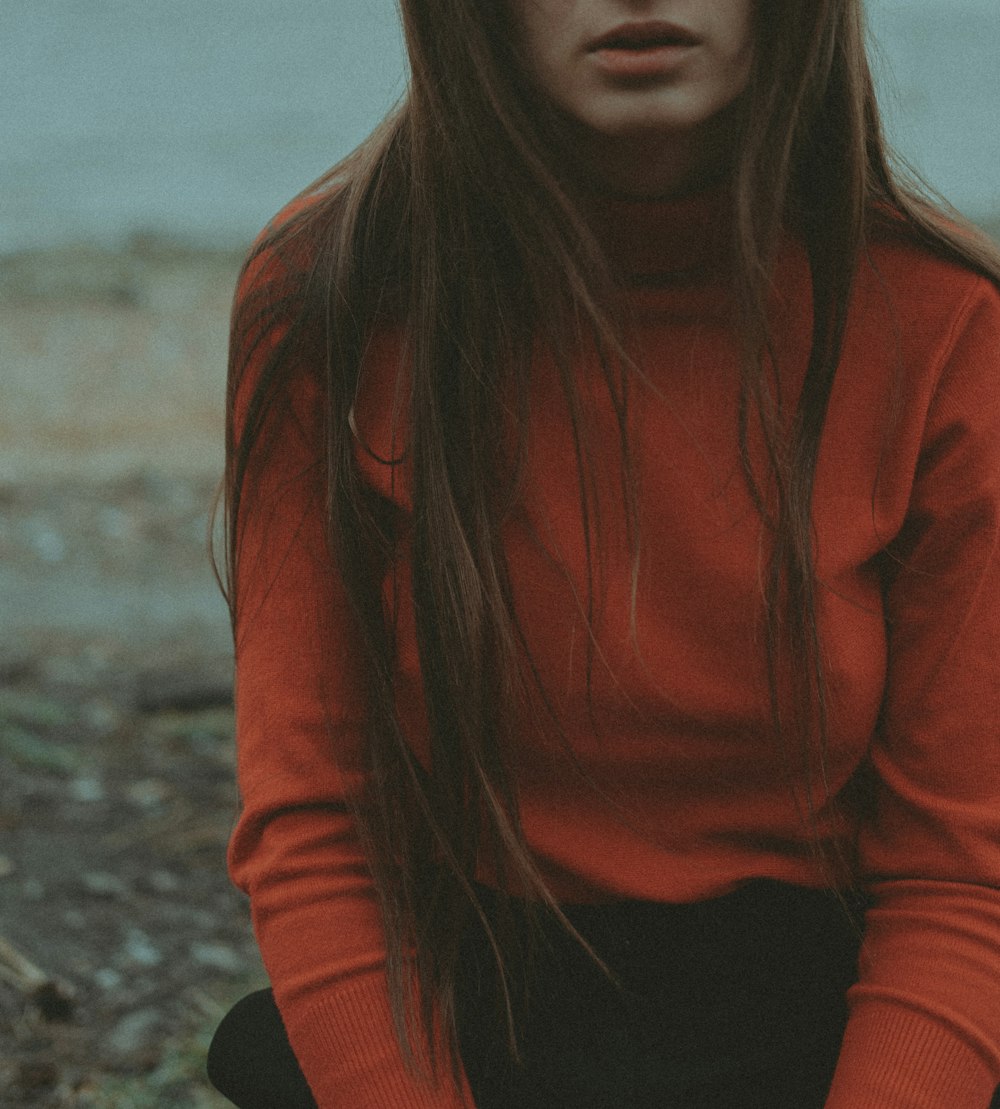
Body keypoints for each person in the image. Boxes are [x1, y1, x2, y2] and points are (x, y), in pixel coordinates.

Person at [207, 1, 1000, 1106]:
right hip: (484, 1007)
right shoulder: (334, 294)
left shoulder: (943, 319)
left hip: (824, 1010)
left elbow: (956, 876)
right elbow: (318, 824)